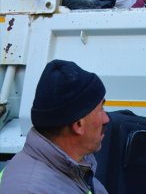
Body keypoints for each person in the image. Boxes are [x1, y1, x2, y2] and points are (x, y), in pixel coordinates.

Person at [0, 60, 110, 193]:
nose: (106, 119)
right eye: (100, 109)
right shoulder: (30, 189)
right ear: (79, 124)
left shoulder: (74, 166)